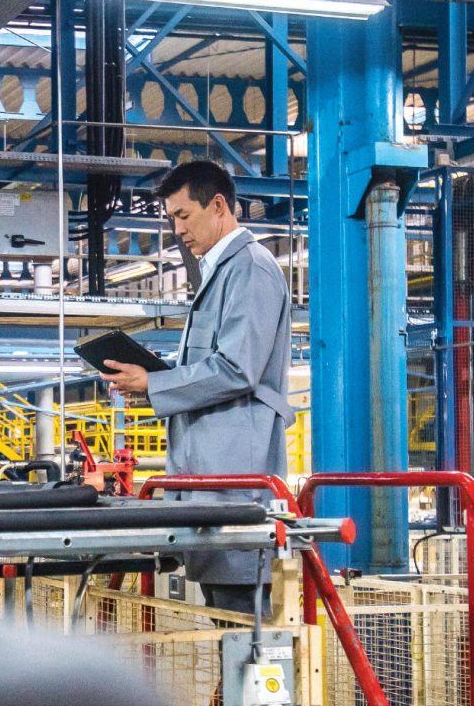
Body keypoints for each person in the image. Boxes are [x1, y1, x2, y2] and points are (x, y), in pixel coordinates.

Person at [101, 160, 293, 615]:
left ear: (219, 205)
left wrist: (158, 382)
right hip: (209, 483)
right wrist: (149, 383)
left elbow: (236, 368)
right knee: (227, 626)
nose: (177, 229)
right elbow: (211, 366)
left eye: (183, 215)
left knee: (246, 632)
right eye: (172, 218)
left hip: (234, 486)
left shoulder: (250, 268)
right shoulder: (220, 271)